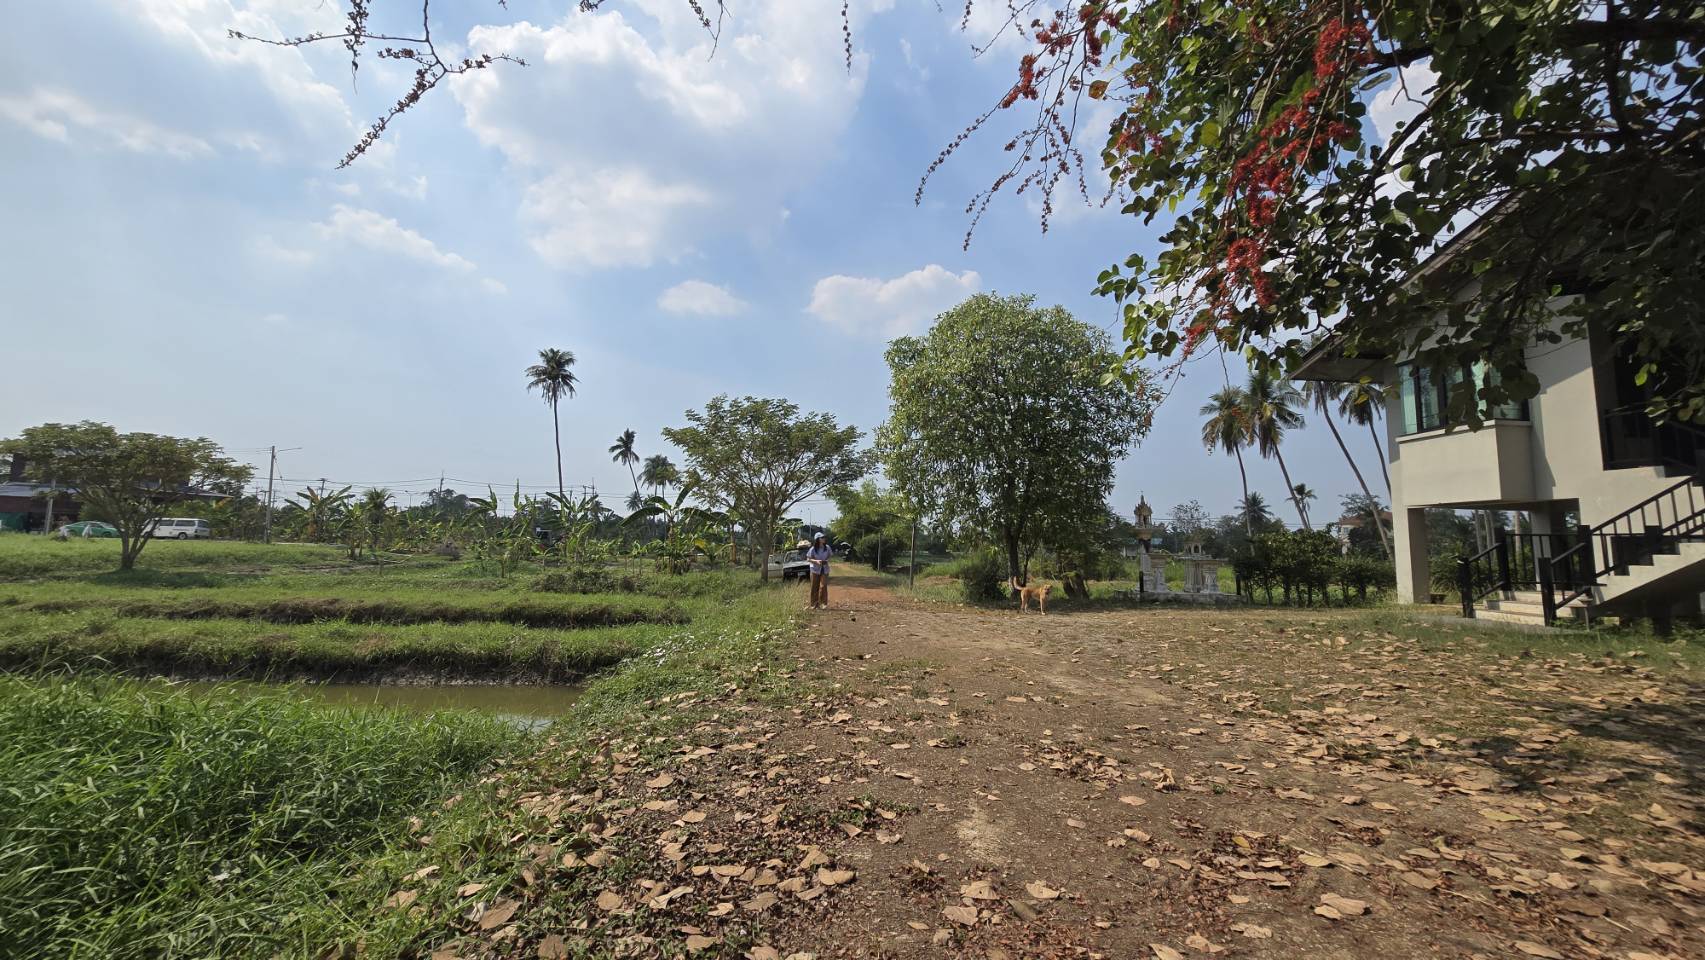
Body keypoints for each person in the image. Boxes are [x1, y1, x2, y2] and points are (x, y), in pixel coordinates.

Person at [806, 532, 833, 609]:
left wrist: (827, 560)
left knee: (823, 586)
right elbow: (808, 559)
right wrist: (816, 561)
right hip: (815, 569)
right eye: (822, 537)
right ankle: (814, 604)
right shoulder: (813, 549)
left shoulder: (827, 547)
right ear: (818, 539)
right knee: (814, 586)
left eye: (824, 537)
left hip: (824, 569)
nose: (824, 539)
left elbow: (830, 556)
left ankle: (823, 603)